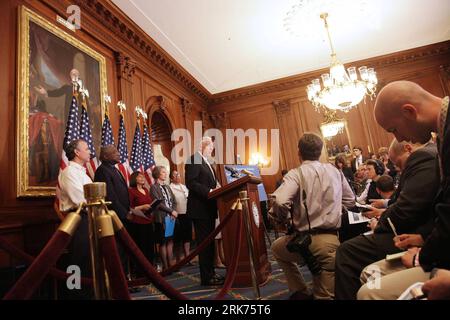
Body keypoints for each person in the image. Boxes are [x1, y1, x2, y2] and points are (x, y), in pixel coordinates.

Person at [354, 81, 448, 300]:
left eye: (394, 130)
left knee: (370, 292)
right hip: (434, 246)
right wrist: (424, 238)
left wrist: (423, 256)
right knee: (371, 275)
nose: (402, 139)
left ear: (409, 111)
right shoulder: (443, 132)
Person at [334, 138, 439, 299]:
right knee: (367, 270)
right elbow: (402, 202)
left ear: (408, 149)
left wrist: (380, 224)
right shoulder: (429, 156)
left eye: (398, 163)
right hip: (420, 234)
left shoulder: (424, 157)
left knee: (348, 253)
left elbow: (406, 208)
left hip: (416, 238)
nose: (397, 168)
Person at [269, 133, 355, 300]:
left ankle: (299, 291)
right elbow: (351, 201)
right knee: (326, 296)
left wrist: (284, 219)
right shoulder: (335, 172)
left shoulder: (295, 174)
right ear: (320, 151)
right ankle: (303, 294)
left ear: (299, 152)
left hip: (302, 242)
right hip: (331, 242)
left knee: (276, 249)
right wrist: (333, 208)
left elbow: (279, 201)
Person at [185, 136, 224, 286]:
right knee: (204, 244)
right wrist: (209, 191)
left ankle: (211, 273)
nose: (211, 150)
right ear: (203, 146)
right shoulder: (194, 159)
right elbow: (191, 183)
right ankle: (206, 277)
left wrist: (217, 190)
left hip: (208, 208)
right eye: (210, 148)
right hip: (199, 209)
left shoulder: (206, 162)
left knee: (209, 243)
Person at [57, 138, 93, 299]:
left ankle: (88, 293)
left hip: (89, 217)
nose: (90, 151)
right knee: (78, 259)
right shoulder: (69, 172)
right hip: (78, 218)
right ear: (77, 153)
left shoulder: (83, 173)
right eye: (86, 148)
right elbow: (80, 198)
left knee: (88, 259)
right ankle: (76, 295)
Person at [150, 166, 178, 271]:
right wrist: (171, 211)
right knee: (163, 242)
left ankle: (171, 265)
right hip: (161, 218)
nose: (165, 174)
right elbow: (158, 204)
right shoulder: (154, 187)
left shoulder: (167, 186)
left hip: (170, 218)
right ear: (157, 174)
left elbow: (174, 201)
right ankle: (165, 266)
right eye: (163, 172)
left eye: (165, 172)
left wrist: (173, 212)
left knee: (170, 240)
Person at [128, 171, 156, 269]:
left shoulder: (146, 190)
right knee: (141, 248)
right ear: (134, 179)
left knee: (150, 247)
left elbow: (150, 204)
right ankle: (141, 271)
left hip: (149, 221)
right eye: (140, 177)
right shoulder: (131, 191)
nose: (143, 178)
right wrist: (142, 207)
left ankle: (151, 269)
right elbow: (129, 209)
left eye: (143, 177)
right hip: (138, 224)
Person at [169, 170, 192, 264]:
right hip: (175, 215)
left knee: (187, 237)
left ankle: (188, 258)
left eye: (178, 174)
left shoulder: (184, 186)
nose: (178, 176)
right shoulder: (170, 187)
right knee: (177, 238)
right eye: (175, 175)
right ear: (171, 178)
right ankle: (178, 259)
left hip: (187, 213)